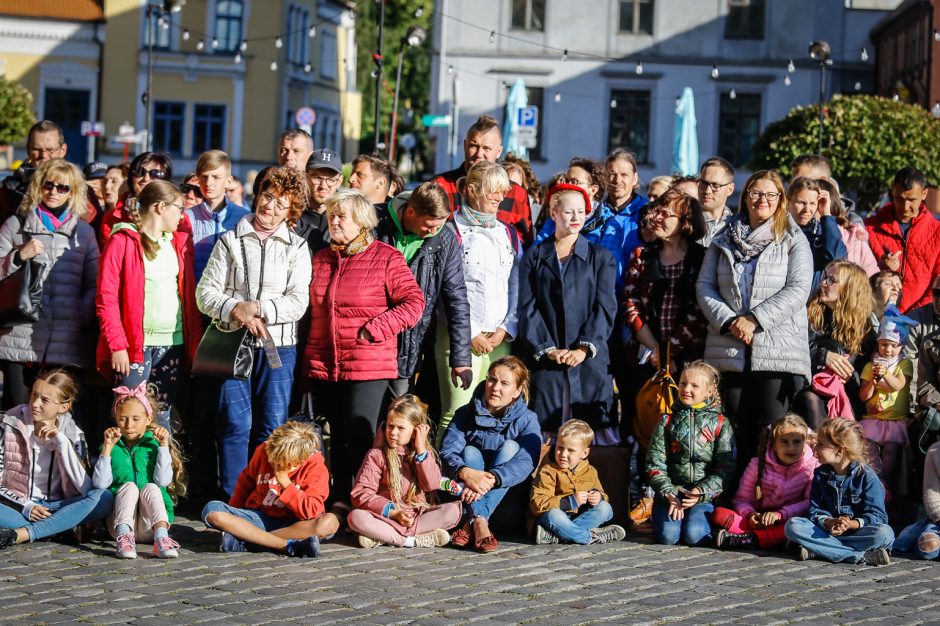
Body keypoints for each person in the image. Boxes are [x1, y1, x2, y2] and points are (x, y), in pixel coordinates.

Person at [196, 167, 312, 497]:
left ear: (292, 211)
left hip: (279, 348)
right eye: (267, 197)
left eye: (281, 203)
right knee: (234, 423)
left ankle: (265, 499)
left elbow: (297, 302)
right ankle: (234, 499)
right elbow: (205, 293)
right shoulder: (230, 241)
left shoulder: (297, 248)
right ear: (257, 195)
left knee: (272, 426)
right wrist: (235, 308)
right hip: (233, 343)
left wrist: (258, 308)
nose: (271, 207)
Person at [303, 189, 424, 504]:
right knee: (335, 435)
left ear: (362, 221)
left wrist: (377, 329)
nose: (335, 220)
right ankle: (338, 499)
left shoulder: (386, 257)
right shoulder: (321, 259)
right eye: (332, 214)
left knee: (359, 436)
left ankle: (361, 499)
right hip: (326, 363)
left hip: (368, 362)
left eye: (343, 215)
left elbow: (414, 302)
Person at [696, 170, 812, 473]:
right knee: (734, 430)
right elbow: (704, 285)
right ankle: (736, 501)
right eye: (756, 193)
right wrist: (731, 321)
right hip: (729, 348)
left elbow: (799, 288)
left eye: (770, 194)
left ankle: (774, 501)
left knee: (773, 431)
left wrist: (754, 320)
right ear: (745, 196)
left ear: (780, 200)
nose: (762, 200)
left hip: (777, 351)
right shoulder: (723, 237)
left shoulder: (792, 238)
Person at [621, 188, 709, 520]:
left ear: (685, 222)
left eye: (665, 213)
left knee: (686, 430)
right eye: (655, 211)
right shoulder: (643, 254)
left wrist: (673, 351)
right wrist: (656, 349)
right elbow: (630, 303)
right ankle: (646, 494)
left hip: (689, 359)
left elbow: (701, 309)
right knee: (645, 426)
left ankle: (686, 497)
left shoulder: (701, 258)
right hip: (647, 356)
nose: (655, 217)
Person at [95, 180, 202, 430]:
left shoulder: (179, 243)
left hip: (172, 345)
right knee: (129, 419)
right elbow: (106, 298)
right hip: (134, 347)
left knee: (162, 419)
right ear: (160, 207)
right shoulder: (122, 241)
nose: (182, 215)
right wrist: (117, 345)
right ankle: (125, 469)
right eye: (179, 208)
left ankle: (162, 470)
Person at [0, 159, 98, 410]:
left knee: (56, 420)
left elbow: (94, 283)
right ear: (38, 186)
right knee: (16, 416)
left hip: (64, 340)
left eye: (63, 187)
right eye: (48, 185)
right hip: (18, 338)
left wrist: (80, 312)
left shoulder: (84, 233)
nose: (54, 192)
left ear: (74, 192)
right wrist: (19, 255)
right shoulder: (16, 225)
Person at [518, 183, 616, 434]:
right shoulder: (535, 256)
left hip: (588, 363)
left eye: (581, 212)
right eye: (568, 212)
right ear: (553, 213)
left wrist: (584, 348)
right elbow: (527, 307)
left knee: (588, 431)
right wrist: (547, 348)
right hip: (547, 362)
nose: (576, 218)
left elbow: (604, 307)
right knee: (544, 430)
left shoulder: (601, 257)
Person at [436, 162, 521, 443]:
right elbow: (442, 290)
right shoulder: (450, 231)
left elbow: (515, 286)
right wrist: (469, 333)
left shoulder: (507, 233)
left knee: (500, 413)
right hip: (458, 337)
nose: (499, 198)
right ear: (471, 190)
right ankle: (438, 483)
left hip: (499, 338)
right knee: (457, 411)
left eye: (502, 192)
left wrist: (506, 328)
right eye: (492, 192)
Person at [374, 182, 472, 397]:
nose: (433, 232)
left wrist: (462, 359)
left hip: (409, 346)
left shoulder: (444, 238)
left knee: (399, 416)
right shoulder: (374, 221)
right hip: (371, 339)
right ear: (410, 211)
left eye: (439, 225)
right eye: (429, 225)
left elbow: (456, 298)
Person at [0, 370, 113, 550]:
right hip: (19, 506)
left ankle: (24, 534)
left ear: (63, 407)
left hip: (58, 506)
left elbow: (86, 488)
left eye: (44, 400)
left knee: (104, 498)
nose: (35, 404)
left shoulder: (74, 434)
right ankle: (59, 527)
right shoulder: (7, 425)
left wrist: (62, 442)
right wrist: (26, 506)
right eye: (34, 395)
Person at [440, 356, 542, 552]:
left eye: (505, 383)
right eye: (492, 379)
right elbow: (447, 450)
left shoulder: (528, 419)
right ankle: (480, 523)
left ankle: (475, 520)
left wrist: (494, 478)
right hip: (464, 495)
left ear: (517, 391)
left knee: (511, 448)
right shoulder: (465, 414)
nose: (495, 387)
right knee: (469, 452)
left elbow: (526, 461)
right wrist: (465, 472)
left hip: (506, 503)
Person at [201, 421, 337, 557]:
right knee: (212, 509)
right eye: (272, 458)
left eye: (280, 461)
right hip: (259, 518)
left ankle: (246, 542)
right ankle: (286, 545)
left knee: (329, 523)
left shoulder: (315, 467)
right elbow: (245, 482)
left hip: (294, 525)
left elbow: (313, 512)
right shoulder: (264, 449)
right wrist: (234, 520)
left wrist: (285, 482)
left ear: (300, 461)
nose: (273, 462)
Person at [349, 395, 462, 548]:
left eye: (401, 428)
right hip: (386, 517)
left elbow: (431, 484)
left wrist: (421, 451)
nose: (393, 432)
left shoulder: (422, 455)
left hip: (416, 518)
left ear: (415, 431)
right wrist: (393, 512)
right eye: (390, 426)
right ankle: (411, 541)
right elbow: (361, 493)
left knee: (452, 511)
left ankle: (385, 537)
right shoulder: (377, 455)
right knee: (356, 517)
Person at [646, 361, 735, 547]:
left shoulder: (720, 423)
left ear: (709, 392)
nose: (686, 389)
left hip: (702, 496)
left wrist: (700, 492)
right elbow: (655, 464)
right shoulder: (667, 421)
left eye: (695, 386)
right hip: (671, 493)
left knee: (694, 536)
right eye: (683, 383)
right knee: (668, 537)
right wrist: (669, 493)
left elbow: (726, 467)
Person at [92, 383, 186, 559]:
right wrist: (107, 449)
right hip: (118, 524)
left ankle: (161, 539)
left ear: (148, 419)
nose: (129, 425)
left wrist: (164, 447)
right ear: (116, 419)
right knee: (129, 487)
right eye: (123, 419)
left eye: (136, 419)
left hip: (149, 524)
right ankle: (124, 542)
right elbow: (99, 484)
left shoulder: (154, 445)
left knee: (151, 487)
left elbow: (163, 481)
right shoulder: (112, 446)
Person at [784, 418, 894, 565]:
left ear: (839, 450)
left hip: (857, 535)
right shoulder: (820, 474)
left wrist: (850, 524)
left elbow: (878, 517)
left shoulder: (867, 477)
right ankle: (858, 556)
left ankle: (820, 550)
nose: (815, 448)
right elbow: (815, 511)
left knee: (884, 534)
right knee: (793, 526)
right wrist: (830, 522)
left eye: (821, 444)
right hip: (827, 533)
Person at [713, 413, 817, 551]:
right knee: (719, 513)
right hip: (760, 519)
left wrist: (780, 515)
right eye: (784, 441)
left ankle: (753, 539)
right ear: (773, 444)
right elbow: (742, 499)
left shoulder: (812, 467)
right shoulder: (757, 465)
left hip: (788, 520)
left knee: (799, 526)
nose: (791, 448)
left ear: (806, 442)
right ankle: (771, 539)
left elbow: (808, 503)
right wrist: (750, 515)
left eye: (797, 442)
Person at [431, 114, 532, 245]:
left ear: (499, 151)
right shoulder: (441, 186)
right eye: (474, 146)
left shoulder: (516, 193)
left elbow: (526, 244)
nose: (479, 154)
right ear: (465, 145)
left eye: (487, 148)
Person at [797, 260, 874, 428]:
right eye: (825, 277)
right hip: (810, 385)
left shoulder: (864, 327)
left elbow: (866, 368)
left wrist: (851, 377)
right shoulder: (808, 312)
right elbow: (792, 348)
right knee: (810, 398)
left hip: (845, 393)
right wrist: (824, 356)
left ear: (850, 289)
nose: (823, 283)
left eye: (832, 280)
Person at [530, 419, 626, 545]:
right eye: (560, 448)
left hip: (579, 518)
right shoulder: (548, 471)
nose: (563, 454)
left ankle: (560, 536)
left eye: (570, 450)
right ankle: (590, 537)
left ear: (584, 453)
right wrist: (569, 502)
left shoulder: (590, 471)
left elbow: (603, 495)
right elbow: (537, 504)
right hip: (553, 520)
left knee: (605, 508)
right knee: (554, 515)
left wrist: (599, 496)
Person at [865, 166, 940, 313]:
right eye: (900, 198)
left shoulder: (937, 232)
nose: (905, 207)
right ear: (892, 190)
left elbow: (938, 282)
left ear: (924, 193)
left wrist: (916, 314)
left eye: (912, 200)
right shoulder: (869, 228)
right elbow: (860, 277)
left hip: (922, 319)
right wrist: (880, 268)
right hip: (877, 315)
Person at [859, 309, 916, 494]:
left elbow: (898, 385)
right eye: (883, 344)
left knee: (891, 449)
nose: (888, 349)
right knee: (869, 449)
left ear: (901, 346)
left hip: (894, 421)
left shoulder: (903, 364)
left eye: (893, 345)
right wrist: (873, 383)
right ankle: (875, 481)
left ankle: (884, 481)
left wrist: (886, 373)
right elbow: (863, 396)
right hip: (873, 419)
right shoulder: (870, 366)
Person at [186, 150, 249, 282]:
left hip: (229, 296)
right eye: (204, 176)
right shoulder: (187, 217)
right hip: (194, 294)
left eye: (216, 177)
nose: (209, 183)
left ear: (228, 181)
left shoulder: (243, 218)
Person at [100, 151, 183, 243]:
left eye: (155, 174)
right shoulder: (111, 218)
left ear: (166, 180)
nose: (146, 179)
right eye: (140, 172)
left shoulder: (179, 216)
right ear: (132, 176)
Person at [786, 177, 847, 297]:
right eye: (801, 203)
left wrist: (827, 215)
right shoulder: (777, 231)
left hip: (812, 304)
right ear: (788, 203)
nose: (807, 210)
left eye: (812, 204)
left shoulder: (822, 231)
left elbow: (837, 259)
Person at [533, 158, 613, 245]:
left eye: (574, 182)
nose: (568, 185)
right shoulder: (556, 216)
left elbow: (609, 256)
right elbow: (536, 251)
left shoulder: (607, 222)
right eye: (567, 181)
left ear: (593, 190)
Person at [0, 120, 68, 223]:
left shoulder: (77, 187)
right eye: (36, 149)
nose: (43, 156)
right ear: (28, 149)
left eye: (50, 150)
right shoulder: (10, 188)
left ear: (63, 150)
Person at [598, 149, 648, 283]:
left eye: (624, 175)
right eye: (612, 174)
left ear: (635, 178)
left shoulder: (646, 212)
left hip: (631, 292)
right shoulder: (593, 213)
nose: (617, 180)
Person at [816, 177, 878, 277]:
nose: (807, 209)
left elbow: (872, 279)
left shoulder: (854, 238)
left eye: (813, 203)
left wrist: (826, 217)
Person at [894, 441, 940, 560]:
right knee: (928, 546)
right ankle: (915, 534)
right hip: (938, 520)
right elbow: (931, 495)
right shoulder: (935, 451)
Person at [295, 148, 343, 254]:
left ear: (339, 181)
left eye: (330, 179)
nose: (323, 186)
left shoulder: (348, 219)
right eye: (317, 178)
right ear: (305, 177)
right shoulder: (291, 214)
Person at [697, 157, 735, 247]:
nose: (707, 191)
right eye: (703, 183)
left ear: (730, 189)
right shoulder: (684, 222)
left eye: (715, 185)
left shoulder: (736, 227)